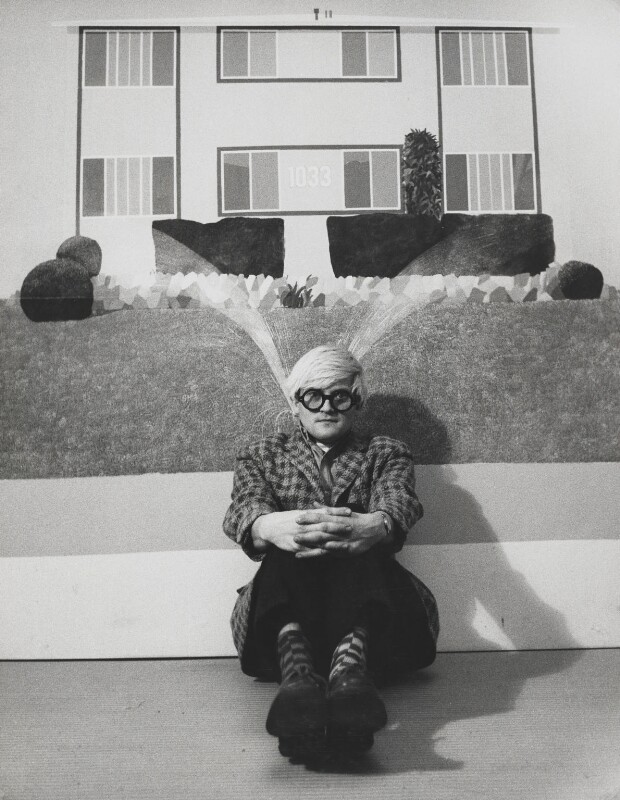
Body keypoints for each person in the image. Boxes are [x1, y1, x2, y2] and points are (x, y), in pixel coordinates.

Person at [223, 345, 438, 763]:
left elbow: (400, 500)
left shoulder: (385, 452)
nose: (326, 407)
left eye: (339, 396)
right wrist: (268, 527)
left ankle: (350, 670)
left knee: (356, 533)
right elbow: (242, 509)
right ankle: (297, 671)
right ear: (295, 403)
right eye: (313, 396)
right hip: (282, 614)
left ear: (356, 401)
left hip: (380, 619)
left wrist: (376, 524)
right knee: (291, 540)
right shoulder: (261, 455)